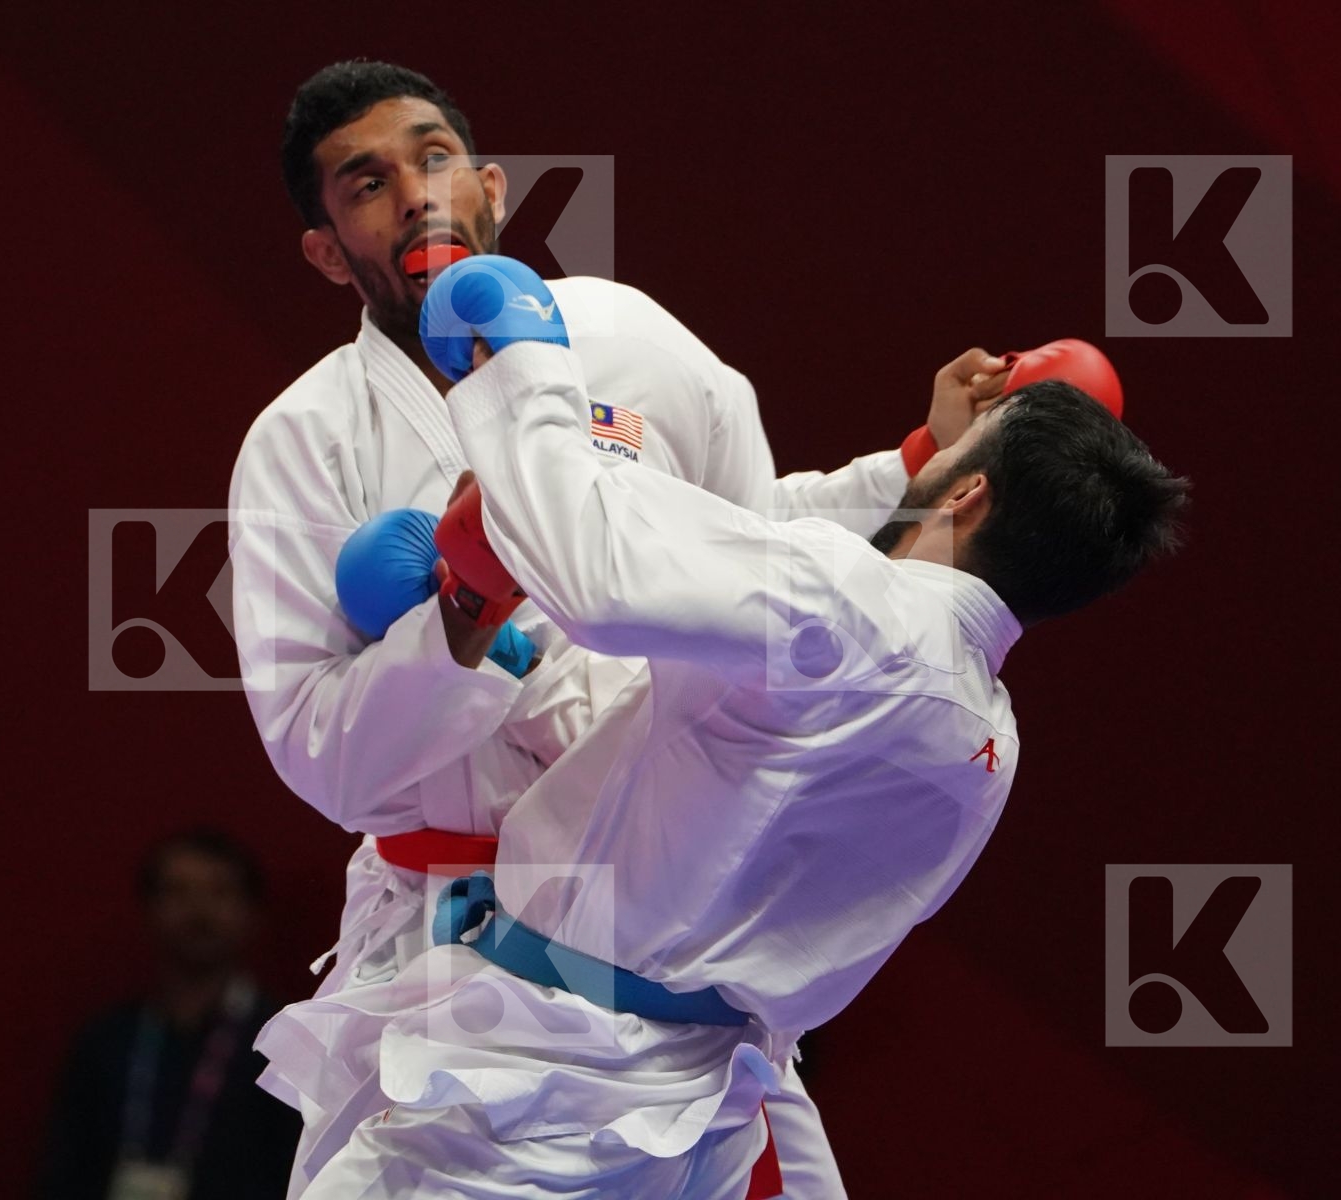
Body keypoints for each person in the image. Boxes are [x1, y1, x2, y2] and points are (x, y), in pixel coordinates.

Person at [230, 60, 1007, 1197]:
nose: (415, 194)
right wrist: (464, 614)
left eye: (435, 158)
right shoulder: (303, 443)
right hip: (446, 940)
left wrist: (911, 469)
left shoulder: (629, 338)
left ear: (492, 185)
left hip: (654, 912)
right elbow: (323, 757)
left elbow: (751, 548)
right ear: (325, 248)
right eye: (365, 183)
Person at [279, 259, 1190, 1196]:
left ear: (967, 497)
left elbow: (602, 565)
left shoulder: (849, 608)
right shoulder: (987, 743)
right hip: (693, 1119)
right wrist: (506, 643)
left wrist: (524, 365)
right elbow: (702, 747)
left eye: (971, 451)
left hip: (533, 1104)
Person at [36, 829, 300, 1200]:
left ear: (250, 911)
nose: (199, 911)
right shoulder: (106, 1042)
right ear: (149, 907)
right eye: (178, 892)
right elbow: (66, 1170)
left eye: (219, 892)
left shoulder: (285, 1046)